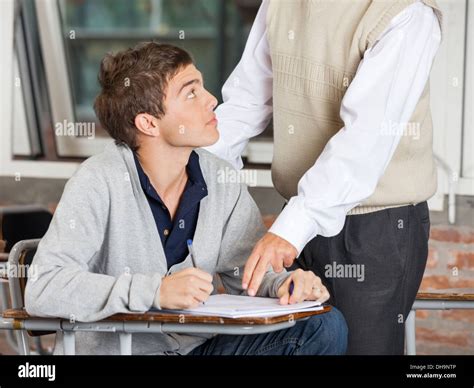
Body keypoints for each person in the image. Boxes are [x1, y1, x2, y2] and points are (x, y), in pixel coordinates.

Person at [24, 42, 347, 355]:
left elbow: (244, 272)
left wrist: (286, 285)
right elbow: (44, 289)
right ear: (148, 123)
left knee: (324, 326)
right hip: (123, 353)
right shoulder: (98, 180)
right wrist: (156, 291)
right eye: (191, 93)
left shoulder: (220, 178)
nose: (211, 100)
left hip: (197, 349)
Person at [205, 0, 442, 354]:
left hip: (376, 229)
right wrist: (187, 168)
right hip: (300, 219)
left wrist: (288, 230)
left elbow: (364, 142)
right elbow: (245, 103)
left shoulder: (408, 12)